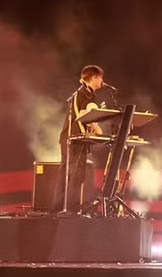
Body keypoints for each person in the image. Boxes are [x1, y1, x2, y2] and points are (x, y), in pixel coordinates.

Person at [52, 65, 105, 212]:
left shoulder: (80, 93)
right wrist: (99, 131)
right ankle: (69, 211)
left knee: (65, 176)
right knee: (76, 176)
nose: (102, 81)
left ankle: (56, 210)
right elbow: (85, 115)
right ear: (94, 77)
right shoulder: (87, 95)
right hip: (75, 140)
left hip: (67, 138)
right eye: (101, 77)